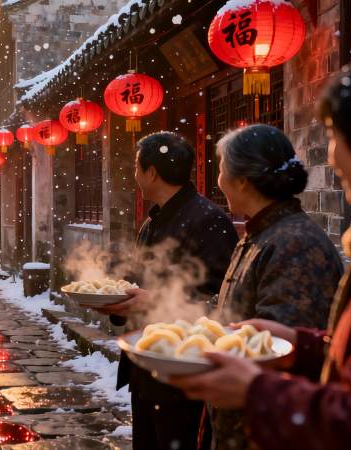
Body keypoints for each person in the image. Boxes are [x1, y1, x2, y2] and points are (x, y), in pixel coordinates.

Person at [170, 53, 351, 450]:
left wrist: (256, 391)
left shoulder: (294, 243)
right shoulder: (261, 234)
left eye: (335, 137)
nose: (330, 156)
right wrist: (298, 343)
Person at [91, 132, 238, 450]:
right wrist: (117, 299)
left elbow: (224, 304)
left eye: (135, 167)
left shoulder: (208, 221)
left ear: (151, 172)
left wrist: (155, 301)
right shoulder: (153, 221)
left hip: (183, 373)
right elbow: (137, 282)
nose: (134, 175)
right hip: (146, 365)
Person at [204, 124, 343, 450]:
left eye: (222, 170)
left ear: (242, 180)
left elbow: (276, 345)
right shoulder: (262, 233)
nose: (218, 181)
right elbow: (238, 315)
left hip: (267, 429)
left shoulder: (293, 243)